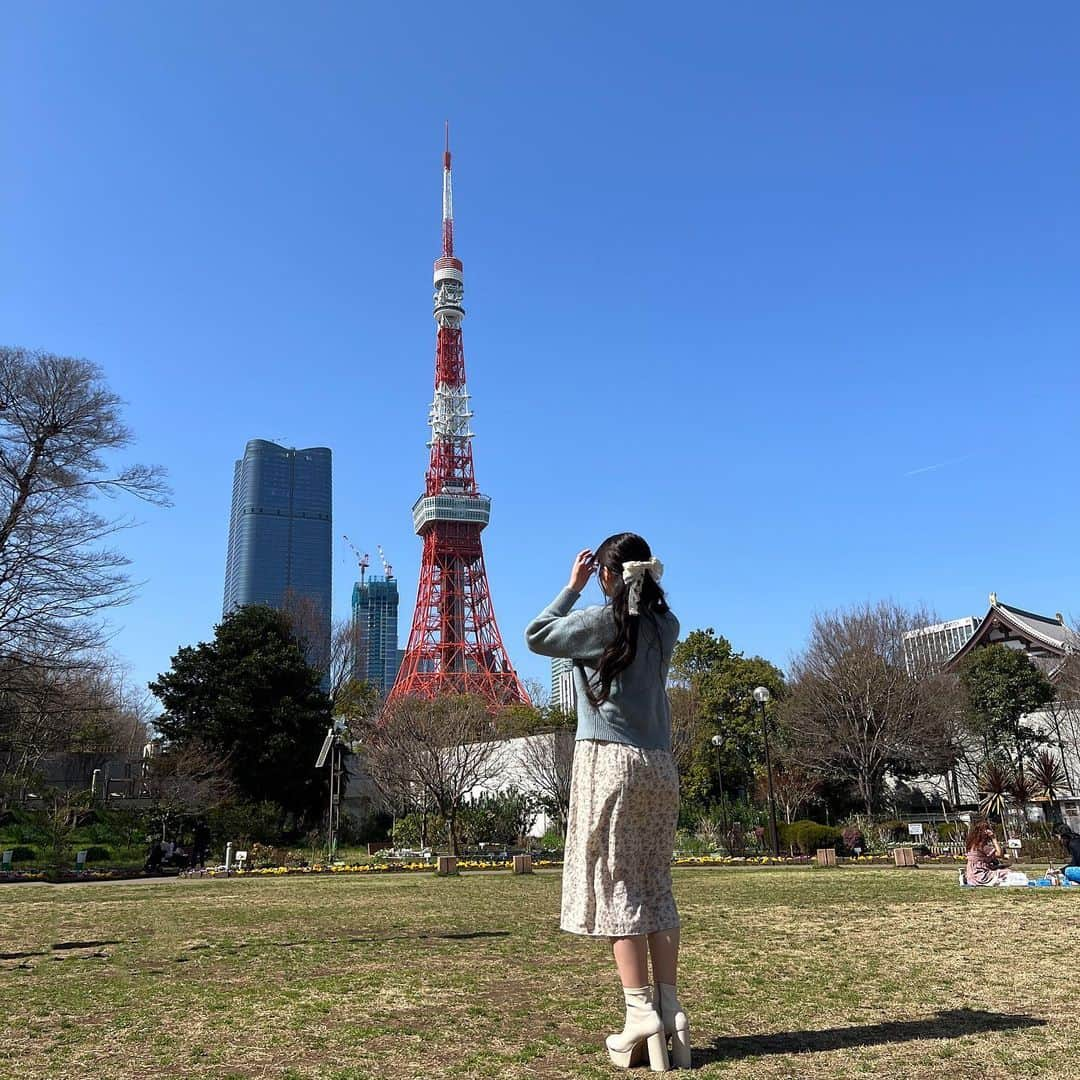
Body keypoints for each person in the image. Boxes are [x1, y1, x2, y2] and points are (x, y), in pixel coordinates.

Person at [525, 533, 686, 1071]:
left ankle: (639, 1012)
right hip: (659, 765)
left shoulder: (600, 622)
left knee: (617, 887)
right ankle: (670, 1008)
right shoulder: (666, 628)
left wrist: (570, 588)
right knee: (654, 883)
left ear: (607, 575)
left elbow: (537, 634)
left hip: (610, 763)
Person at [964, 818, 1028, 886]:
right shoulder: (982, 846)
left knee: (1001, 869)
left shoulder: (971, 844)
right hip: (980, 876)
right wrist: (993, 838)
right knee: (1008, 873)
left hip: (971, 876)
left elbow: (985, 859)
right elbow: (999, 853)